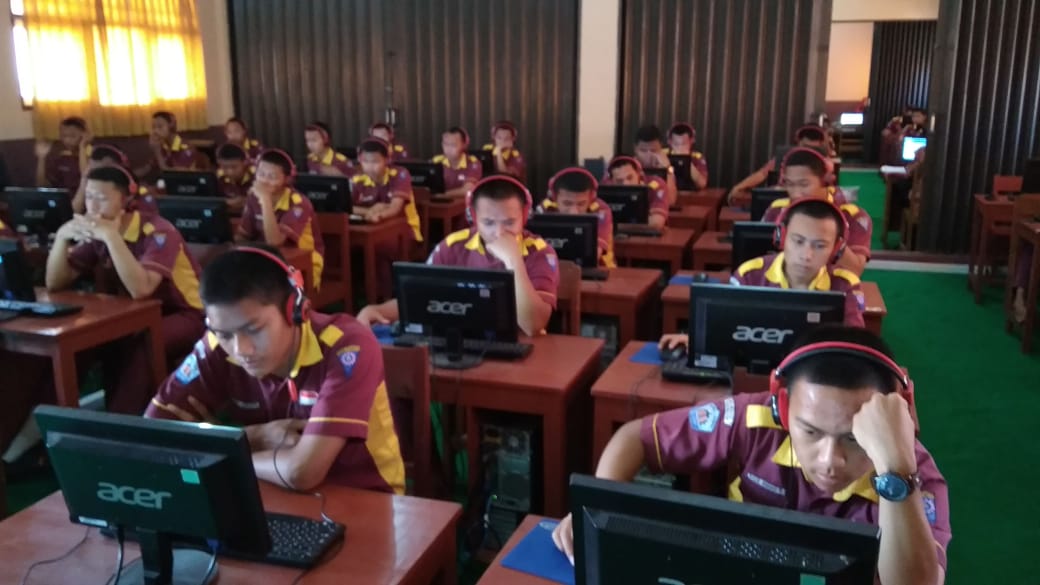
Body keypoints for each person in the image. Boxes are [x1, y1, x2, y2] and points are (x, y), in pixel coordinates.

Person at [552, 325, 950, 585]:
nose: (830, 459)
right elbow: (633, 437)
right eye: (811, 432)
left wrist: (895, 470)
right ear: (782, 408)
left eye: (853, 439)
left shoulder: (912, 473)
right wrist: (597, 513)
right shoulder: (754, 417)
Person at [145, 246, 405, 494]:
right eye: (224, 334)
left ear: (295, 311)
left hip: (365, 496)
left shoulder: (347, 346)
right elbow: (148, 438)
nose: (240, 349)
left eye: (254, 330)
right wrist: (253, 437)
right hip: (265, 489)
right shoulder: (215, 347)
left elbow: (301, 472)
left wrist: (213, 451)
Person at [45, 166, 206, 414]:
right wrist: (61, 238)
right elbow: (55, 283)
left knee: (143, 343)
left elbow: (141, 289)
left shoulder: (159, 231)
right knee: (86, 341)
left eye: (101, 198)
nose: (92, 207)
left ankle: (124, 420)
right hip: (135, 314)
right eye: (89, 197)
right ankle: (56, 415)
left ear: (125, 200)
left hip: (188, 314)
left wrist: (112, 238)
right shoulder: (99, 230)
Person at [356, 176, 559, 336]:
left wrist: (513, 260)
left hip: (521, 348)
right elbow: (420, 296)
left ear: (524, 217)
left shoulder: (540, 252)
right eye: (488, 223)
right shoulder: (453, 245)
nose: (499, 232)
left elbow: (533, 325)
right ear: (474, 218)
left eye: (509, 222)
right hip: (461, 342)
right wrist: (378, 310)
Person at [662, 199, 865, 350]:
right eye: (798, 241)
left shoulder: (846, 285)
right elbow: (723, 327)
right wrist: (695, 340)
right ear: (781, 238)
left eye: (820, 246)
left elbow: (855, 346)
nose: (806, 255)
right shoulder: (750, 274)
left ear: (836, 249)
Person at [761, 147, 872, 275]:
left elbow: (856, 270)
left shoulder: (854, 216)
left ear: (824, 181)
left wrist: (833, 242)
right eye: (790, 184)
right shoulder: (777, 210)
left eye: (804, 184)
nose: (796, 193)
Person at [236, 149, 325, 290]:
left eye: (272, 177)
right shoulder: (254, 198)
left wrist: (265, 200)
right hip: (267, 260)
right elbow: (243, 235)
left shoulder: (298, 203)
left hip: (303, 264)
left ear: (287, 179)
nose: (264, 181)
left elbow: (274, 242)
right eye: (261, 174)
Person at [351, 137, 423, 301]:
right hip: (371, 229)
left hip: (405, 230)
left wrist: (379, 214)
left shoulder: (400, 174)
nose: (370, 166)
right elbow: (348, 207)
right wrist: (369, 211)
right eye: (365, 161)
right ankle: (359, 293)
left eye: (375, 161)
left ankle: (384, 297)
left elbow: (395, 208)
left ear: (387, 160)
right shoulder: (357, 179)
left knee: (379, 248)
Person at [535, 167, 615, 268]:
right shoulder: (544, 208)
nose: (574, 212)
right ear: (554, 197)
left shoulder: (602, 210)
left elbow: (595, 254)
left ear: (591, 198)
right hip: (552, 269)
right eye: (567, 203)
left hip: (598, 269)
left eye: (581, 204)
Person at [728, 125, 831, 204]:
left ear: (820, 145)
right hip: (780, 200)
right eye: (804, 146)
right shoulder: (786, 157)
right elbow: (762, 174)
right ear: (798, 143)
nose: (807, 150)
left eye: (812, 148)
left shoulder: (826, 163)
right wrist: (739, 187)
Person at [72, 144, 158, 214]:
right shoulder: (89, 187)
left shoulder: (142, 198)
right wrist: (84, 182)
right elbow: (73, 213)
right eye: (95, 173)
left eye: (106, 172)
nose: (99, 178)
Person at [603, 155, 669, 229]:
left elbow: (656, 223)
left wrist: (613, 226)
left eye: (630, 178)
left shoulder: (656, 184)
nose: (626, 184)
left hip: (647, 235)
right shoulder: (605, 186)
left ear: (639, 174)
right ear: (611, 180)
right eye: (619, 181)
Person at [135, 111, 200, 179]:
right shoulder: (163, 146)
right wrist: (129, 176)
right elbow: (147, 168)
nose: (155, 131)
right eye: (153, 127)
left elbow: (173, 176)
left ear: (170, 125)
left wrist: (157, 151)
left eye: (160, 127)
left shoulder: (186, 147)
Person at [35, 116, 90, 191]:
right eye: (64, 136)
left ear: (84, 135)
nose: (67, 140)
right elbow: (42, 186)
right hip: (62, 197)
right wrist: (41, 158)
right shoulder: (62, 158)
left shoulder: (94, 155)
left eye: (72, 136)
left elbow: (87, 181)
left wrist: (82, 147)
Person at [632, 125, 678, 206]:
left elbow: (671, 201)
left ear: (661, 149)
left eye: (653, 150)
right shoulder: (627, 166)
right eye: (643, 151)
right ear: (635, 149)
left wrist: (667, 169)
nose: (649, 155)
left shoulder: (667, 167)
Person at [432, 126, 482, 199]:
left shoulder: (473, 163)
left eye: (453, 145)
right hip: (438, 203)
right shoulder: (436, 161)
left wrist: (442, 195)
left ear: (464, 145)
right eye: (445, 144)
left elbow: (467, 190)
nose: (448, 149)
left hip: (462, 204)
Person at [664, 122, 708, 190]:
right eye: (676, 144)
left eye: (683, 144)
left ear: (691, 141)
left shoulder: (697, 157)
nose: (680, 148)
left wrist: (686, 160)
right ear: (669, 142)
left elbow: (702, 184)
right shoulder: (663, 154)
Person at [215, 143, 254, 214]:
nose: (230, 172)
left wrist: (246, 201)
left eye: (234, 167)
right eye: (225, 167)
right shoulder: (218, 177)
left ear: (245, 162)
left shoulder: (256, 176)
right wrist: (226, 202)